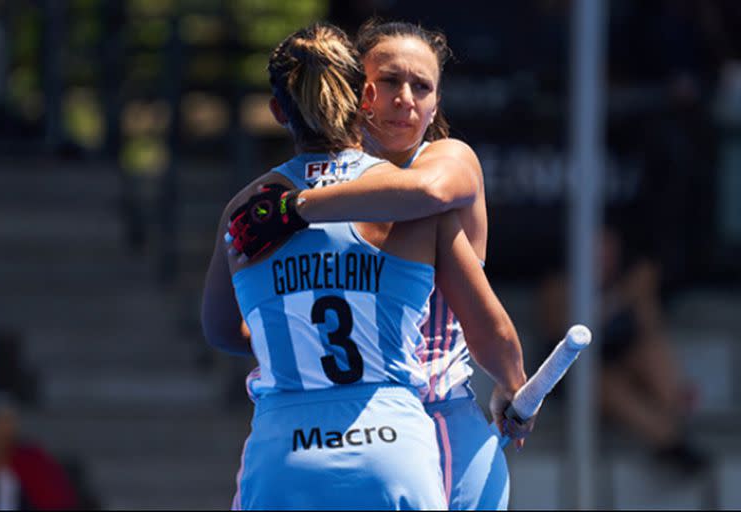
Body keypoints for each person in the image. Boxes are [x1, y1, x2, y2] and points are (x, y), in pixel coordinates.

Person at [202, 22, 530, 510]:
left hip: (434, 415)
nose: (406, 99)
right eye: (393, 82)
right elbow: (495, 332)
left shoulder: (442, 162)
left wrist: (296, 207)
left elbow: (425, 191)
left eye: (422, 86)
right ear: (362, 92)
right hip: (394, 429)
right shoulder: (401, 204)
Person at [536, 225, 708, 475]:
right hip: (574, 375)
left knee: (650, 352)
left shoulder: (631, 280)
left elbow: (649, 330)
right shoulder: (558, 284)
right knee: (603, 383)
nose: (603, 256)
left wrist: (642, 296)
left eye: (608, 248)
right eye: (597, 249)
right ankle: (669, 438)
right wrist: (615, 300)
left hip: (624, 362)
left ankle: (676, 407)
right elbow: (562, 334)